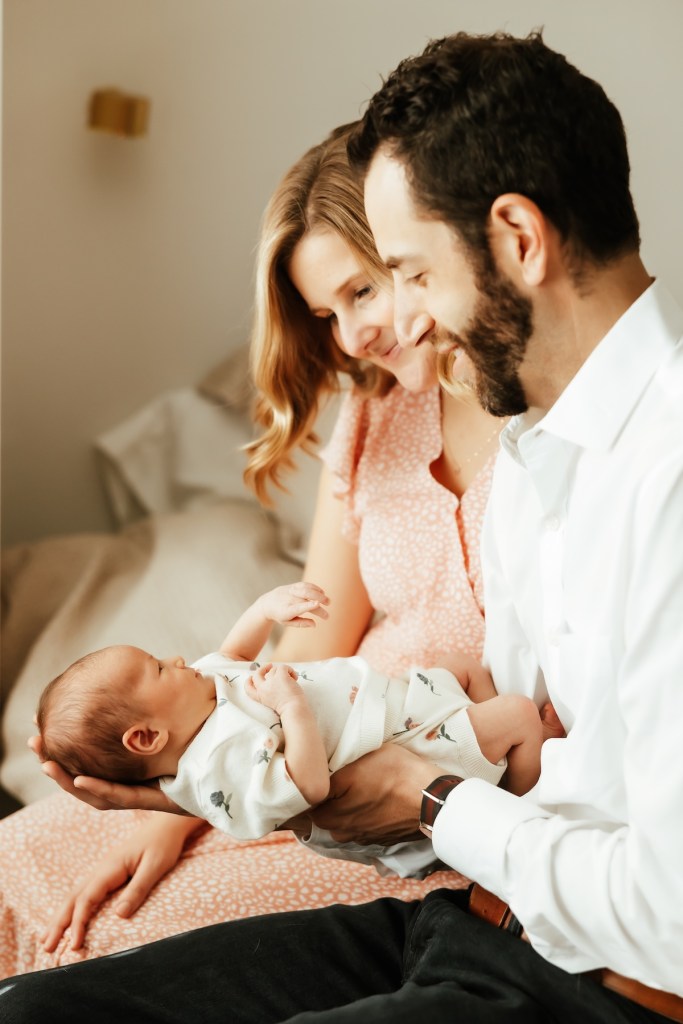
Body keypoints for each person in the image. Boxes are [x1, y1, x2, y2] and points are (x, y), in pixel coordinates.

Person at [3, 28, 681, 1024]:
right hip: (471, 901)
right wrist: (217, 788)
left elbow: (659, 910)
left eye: (405, 273)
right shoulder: (543, 458)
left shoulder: (656, 479)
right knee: (35, 1009)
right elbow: (506, 747)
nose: (395, 325)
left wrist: (424, 798)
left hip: (590, 967)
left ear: (516, 240)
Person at [0, 121, 502, 973]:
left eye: (362, 292)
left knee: (95, 943)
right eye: (324, 314)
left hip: (416, 780)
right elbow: (316, 629)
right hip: (284, 738)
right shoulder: (373, 415)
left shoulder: (548, 421)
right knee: (21, 863)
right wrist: (186, 797)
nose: (351, 339)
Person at [37, 582, 554, 874]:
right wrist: (291, 706)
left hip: (394, 708)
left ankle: (497, 767)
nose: (176, 658)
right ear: (147, 737)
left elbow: (235, 653)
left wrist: (264, 610)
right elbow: (310, 783)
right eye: (157, 668)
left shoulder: (201, 692)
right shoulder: (219, 763)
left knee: (459, 664)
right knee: (518, 715)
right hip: (402, 751)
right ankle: (528, 794)